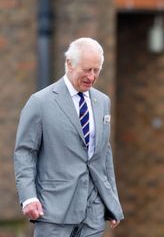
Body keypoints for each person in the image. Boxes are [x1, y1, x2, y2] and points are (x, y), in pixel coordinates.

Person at [14, 37, 124, 236]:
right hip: (53, 209)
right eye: (87, 69)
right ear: (69, 64)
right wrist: (29, 197)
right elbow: (25, 153)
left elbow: (103, 155)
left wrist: (111, 201)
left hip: (93, 211)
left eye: (96, 70)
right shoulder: (40, 102)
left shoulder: (102, 102)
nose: (91, 77)